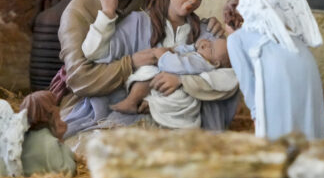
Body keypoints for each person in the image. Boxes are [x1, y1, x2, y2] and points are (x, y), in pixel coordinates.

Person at [64, 0, 238, 137]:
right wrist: (108, 14)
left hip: (185, 121)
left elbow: (230, 78)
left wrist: (182, 82)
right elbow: (97, 55)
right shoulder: (138, 22)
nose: (193, 0)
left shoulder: (205, 33)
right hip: (139, 118)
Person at [56, 0, 157, 112]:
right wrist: (131, 63)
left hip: (150, 93)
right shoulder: (79, 10)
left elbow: (184, 21)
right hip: (95, 103)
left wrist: (207, 26)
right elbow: (81, 78)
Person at [227, 0, 324, 140]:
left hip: (279, 71)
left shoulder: (235, 39)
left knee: (278, 126)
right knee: (307, 118)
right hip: (305, 62)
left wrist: (255, 113)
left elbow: (246, 80)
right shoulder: (275, 30)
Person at [86, 33, 231, 129]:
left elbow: (176, 64)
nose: (206, 45)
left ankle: (137, 103)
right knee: (147, 72)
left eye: (210, 49)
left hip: (177, 91)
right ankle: (135, 101)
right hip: (166, 78)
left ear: (216, 64)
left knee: (153, 78)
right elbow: (181, 52)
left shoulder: (202, 63)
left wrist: (163, 55)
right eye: (210, 42)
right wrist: (195, 46)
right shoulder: (199, 56)